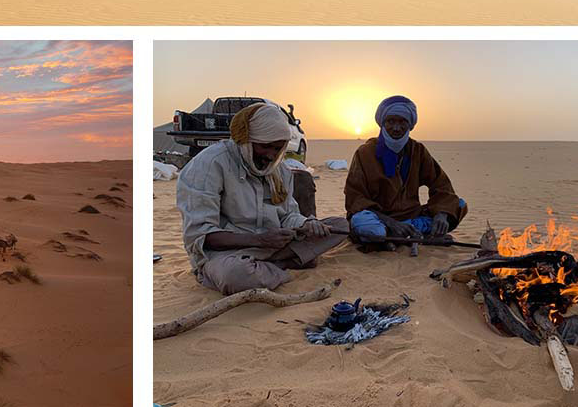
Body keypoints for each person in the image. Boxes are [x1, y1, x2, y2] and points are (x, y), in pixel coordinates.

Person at [176, 102, 347, 296]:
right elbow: (199, 236)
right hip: (227, 254)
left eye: (277, 148)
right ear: (246, 140)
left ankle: (270, 265)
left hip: (273, 246)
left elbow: (288, 215)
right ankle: (283, 266)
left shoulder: (278, 170)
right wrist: (258, 240)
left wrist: (307, 224)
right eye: (265, 147)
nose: (271, 155)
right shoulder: (209, 165)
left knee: (340, 226)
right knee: (237, 276)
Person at [345, 95, 467, 244]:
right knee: (368, 226)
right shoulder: (365, 153)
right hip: (379, 219)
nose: (396, 128)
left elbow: (441, 185)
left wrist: (441, 214)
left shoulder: (418, 151)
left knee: (458, 205)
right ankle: (401, 235)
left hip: (412, 217)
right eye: (391, 121)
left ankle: (402, 235)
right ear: (382, 123)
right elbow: (355, 198)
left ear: (410, 124)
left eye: (402, 122)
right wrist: (391, 223)